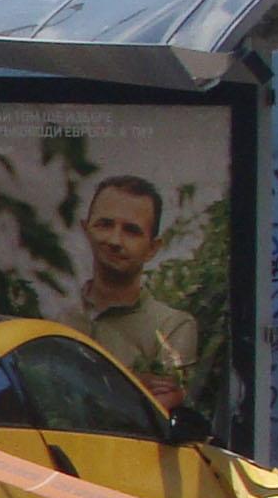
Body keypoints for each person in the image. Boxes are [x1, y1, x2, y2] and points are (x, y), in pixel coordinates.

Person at [62, 173, 198, 410]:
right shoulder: (57, 315)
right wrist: (132, 383)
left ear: (152, 249)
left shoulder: (172, 327)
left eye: (131, 231)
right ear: (86, 230)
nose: (115, 240)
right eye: (105, 225)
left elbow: (149, 416)